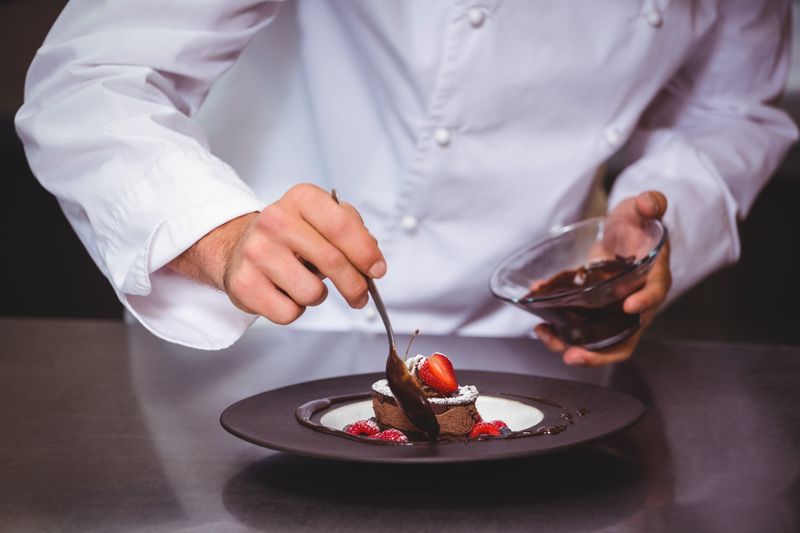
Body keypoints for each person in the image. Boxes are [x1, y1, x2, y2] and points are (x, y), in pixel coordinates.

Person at [16, 1, 797, 366]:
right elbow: (92, 80)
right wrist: (219, 237)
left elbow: (733, 106)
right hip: (246, 342)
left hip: (522, 355)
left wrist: (665, 218)